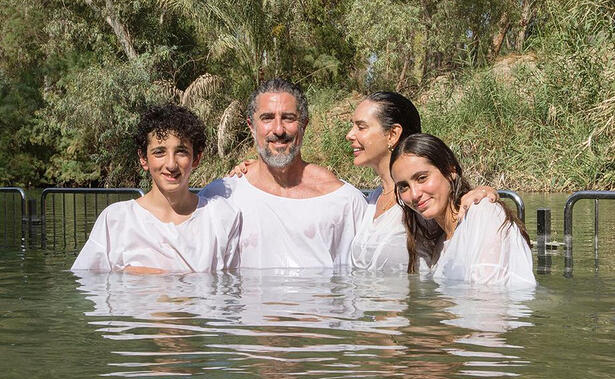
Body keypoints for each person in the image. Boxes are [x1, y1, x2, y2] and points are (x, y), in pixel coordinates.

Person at [232, 90, 498, 271]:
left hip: (414, 338)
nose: (349, 135)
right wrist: (256, 168)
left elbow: (458, 228)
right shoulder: (367, 203)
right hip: (372, 343)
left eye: (361, 127)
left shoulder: (421, 200)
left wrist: (477, 196)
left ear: (393, 135)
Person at [199, 79, 366, 268]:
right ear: (251, 127)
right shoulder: (221, 197)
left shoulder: (344, 202)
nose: (278, 130)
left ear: (304, 124)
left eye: (288, 118)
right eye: (267, 118)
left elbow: (363, 283)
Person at [72, 104, 241, 273]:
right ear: (143, 159)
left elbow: (232, 288)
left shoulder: (222, 217)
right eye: (159, 152)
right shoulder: (116, 220)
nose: (171, 164)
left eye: (181, 152)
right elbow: (87, 281)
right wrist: (126, 276)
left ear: (196, 158)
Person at [390, 133, 536, 288]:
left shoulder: (483, 212)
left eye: (422, 178)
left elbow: (490, 296)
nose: (414, 194)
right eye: (403, 186)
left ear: (450, 170)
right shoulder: (439, 244)